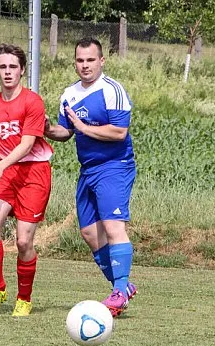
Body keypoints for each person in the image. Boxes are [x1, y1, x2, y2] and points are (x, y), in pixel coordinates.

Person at [44, 37, 137, 317]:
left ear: (101, 61)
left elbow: (119, 132)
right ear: (75, 63)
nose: (85, 66)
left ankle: (119, 291)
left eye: (90, 60)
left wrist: (83, 127)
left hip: (114, 166)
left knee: (113, 227)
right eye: (80, 60)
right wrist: (47, 128)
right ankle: (121, 287)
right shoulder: (69, 94)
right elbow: (65, 132)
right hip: (88, 169)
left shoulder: (112, 90)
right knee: (89, 233)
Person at [0, 43, 53, 317]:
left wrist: (2, 164)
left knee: (23, 243)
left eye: (13, 67)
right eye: (2, 67)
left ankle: (24, 298)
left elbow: (28, 143)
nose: (8, 72)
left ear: (22, 70)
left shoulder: (33, 102)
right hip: (5, 172)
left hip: (33, 173)